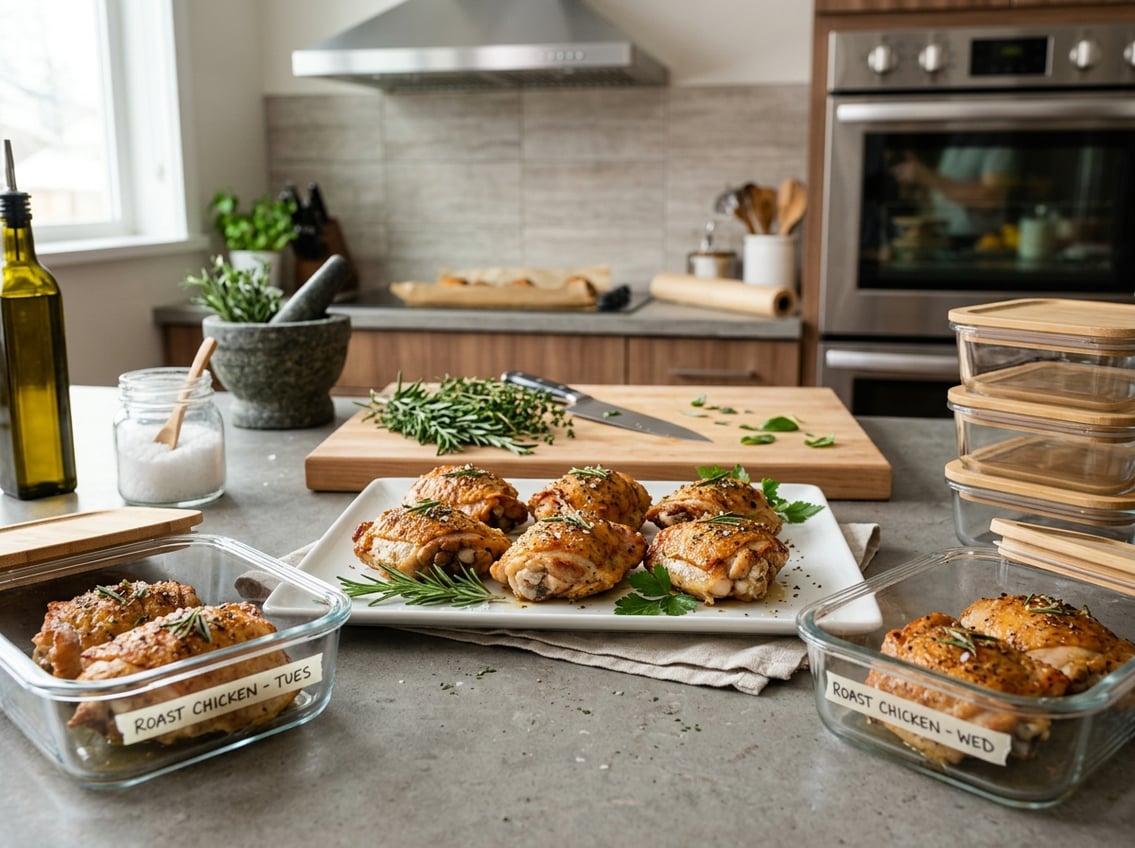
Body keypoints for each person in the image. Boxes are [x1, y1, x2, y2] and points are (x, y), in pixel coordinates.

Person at [891, 146, 1016, 241]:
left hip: (978, 245)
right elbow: (947, 188)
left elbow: (990, 199)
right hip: (942, 241)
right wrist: (920, 183)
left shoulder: (997, 141)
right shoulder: (954, 142)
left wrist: (929, 178)